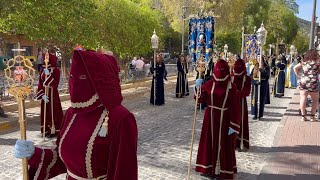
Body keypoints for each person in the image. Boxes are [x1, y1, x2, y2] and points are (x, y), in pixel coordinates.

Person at [14, 49, 138, 179]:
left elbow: (124, 172)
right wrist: (34, 154)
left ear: (96, 80)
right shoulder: (72, 114)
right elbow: (63, 160)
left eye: (82, 77)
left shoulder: (120, 118)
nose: (74, 82)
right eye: (72, 77)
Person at [195, 59, 240, 179]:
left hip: (224, 120)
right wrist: (198, 87)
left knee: (223, 145)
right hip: (210, 118)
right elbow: (199, 99)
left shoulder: (232, 87)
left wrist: (234, 125)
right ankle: (208, 168)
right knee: (208, 142)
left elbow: (235, 108)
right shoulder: (209, 84)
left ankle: (221, 169)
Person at [35, 50, 63, 137]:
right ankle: (46, 130)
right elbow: (40, 82)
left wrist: (49, 75)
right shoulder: (43, 70)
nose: (45, 60)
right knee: (45, 111)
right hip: (45, 94)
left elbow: (55, 83)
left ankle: (54, 130)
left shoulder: (56, 71)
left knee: (53, 110)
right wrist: (42, 94)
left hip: (53, 94)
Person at [294, 49, 320, 121]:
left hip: (304, 82)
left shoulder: (304, 62)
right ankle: (312, 116)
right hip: (313, 82)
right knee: (315, 100)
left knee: (303, 98)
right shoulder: (318, 63)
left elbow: (295, 68)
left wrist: (298, 76)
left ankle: (303, 116)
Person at [232, 59, 251, 150]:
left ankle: (241, 141)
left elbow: (246, 92)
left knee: (241, 121)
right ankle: (233, 141)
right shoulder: (231, 76)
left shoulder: (247, 78)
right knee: (232, 121)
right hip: (232, 103)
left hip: (241, 103)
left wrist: (236, 93)